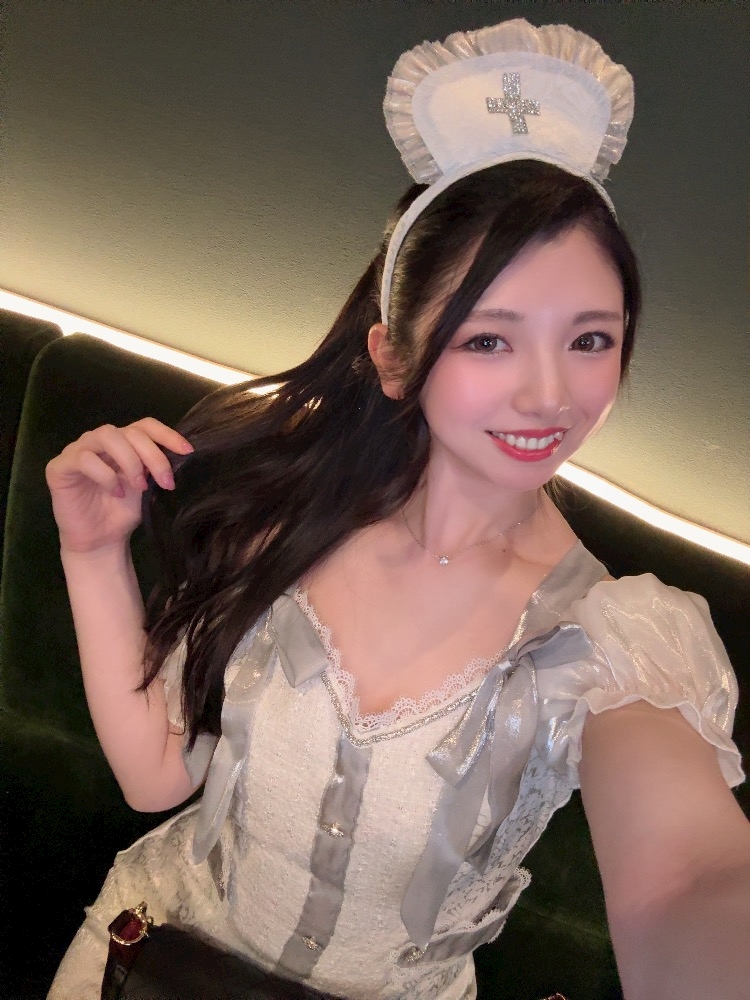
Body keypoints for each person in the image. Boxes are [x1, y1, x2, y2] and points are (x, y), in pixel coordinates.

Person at [45, 18, 749, 1000]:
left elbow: (689, 877)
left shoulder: (614, 641)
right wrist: (91, 553)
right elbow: (157, 774)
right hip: (148, 960)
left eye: (589, 339)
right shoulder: (289, 510)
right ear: (393, 357)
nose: (550, 394)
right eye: (489, 339)